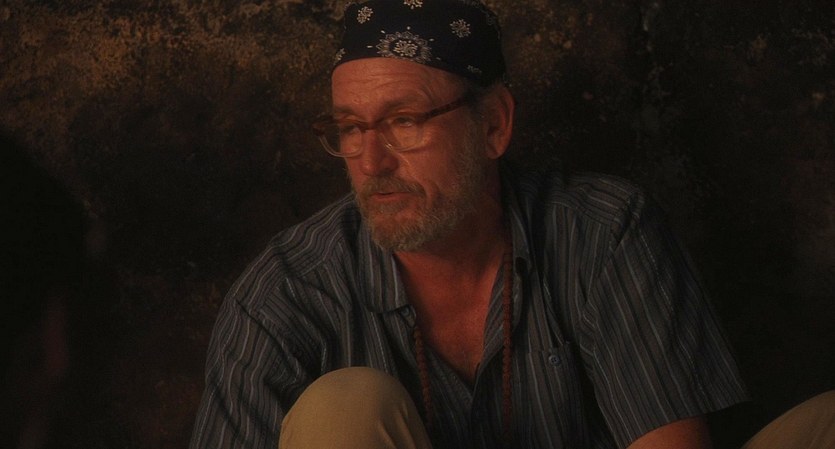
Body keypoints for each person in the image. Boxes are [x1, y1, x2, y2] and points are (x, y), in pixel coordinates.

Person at [190, 1, 755, 448]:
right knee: (346, 407)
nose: (372, 162)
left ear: (493, 125)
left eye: (404, 121)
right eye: (351, 128)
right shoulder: (281, 297)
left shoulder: (604, 234)